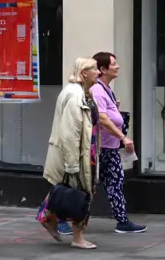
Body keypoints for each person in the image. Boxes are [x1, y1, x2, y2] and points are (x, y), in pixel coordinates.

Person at [57, 52, 146, 235]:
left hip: (108, 148)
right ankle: (60, 218)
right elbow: (102, 118)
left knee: (114, 182)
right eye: (114, 64)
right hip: (98, 149)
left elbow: (105, 114)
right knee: (84, 185)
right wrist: (123, 137)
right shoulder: (96, 90)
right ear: (103, 69)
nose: (118, 67)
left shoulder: (105, 89)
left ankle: (122, 221)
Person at [36, 57, 101, 249]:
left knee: (70, 192)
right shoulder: (75, 96)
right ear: (83, 73)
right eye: (94, 69)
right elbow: (70, 133)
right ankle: (78, 238)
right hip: (79, 156)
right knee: (82, 195)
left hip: (85, 153)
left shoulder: (81, 92)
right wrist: (72, 164)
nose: (98, 72)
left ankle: (48, 217)